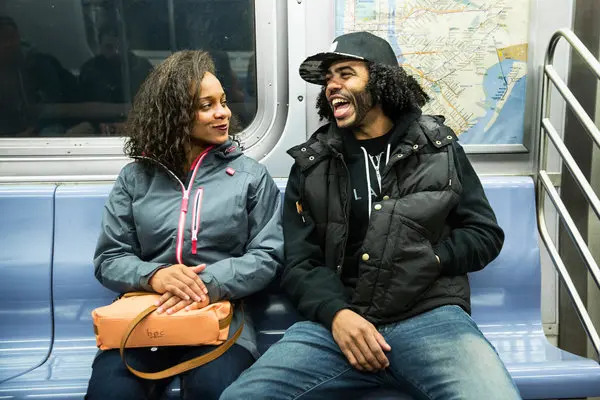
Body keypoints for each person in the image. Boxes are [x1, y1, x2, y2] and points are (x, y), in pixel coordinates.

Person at [221, 32, 521, 399]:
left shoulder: (438, 148)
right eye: (328, 79)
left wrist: (433, 257)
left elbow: (484, 234)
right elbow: (299, 262)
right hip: (337, 324)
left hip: (429, 316)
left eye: (345, 74)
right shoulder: (312, 164)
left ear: (382, 83)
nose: (332, 86)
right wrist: (336, 315)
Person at [86, 50, 283, 400]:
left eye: (223, 102)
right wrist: (155, 276)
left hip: (220, 318)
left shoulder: (250, 177)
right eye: (206, 106)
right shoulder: (135, 179)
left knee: (214, 390)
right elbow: (110, 258)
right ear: (174, 115)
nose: (223, 113)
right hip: (145, 317)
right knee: (112, 393)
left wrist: (208, 283)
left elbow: (267, 255)